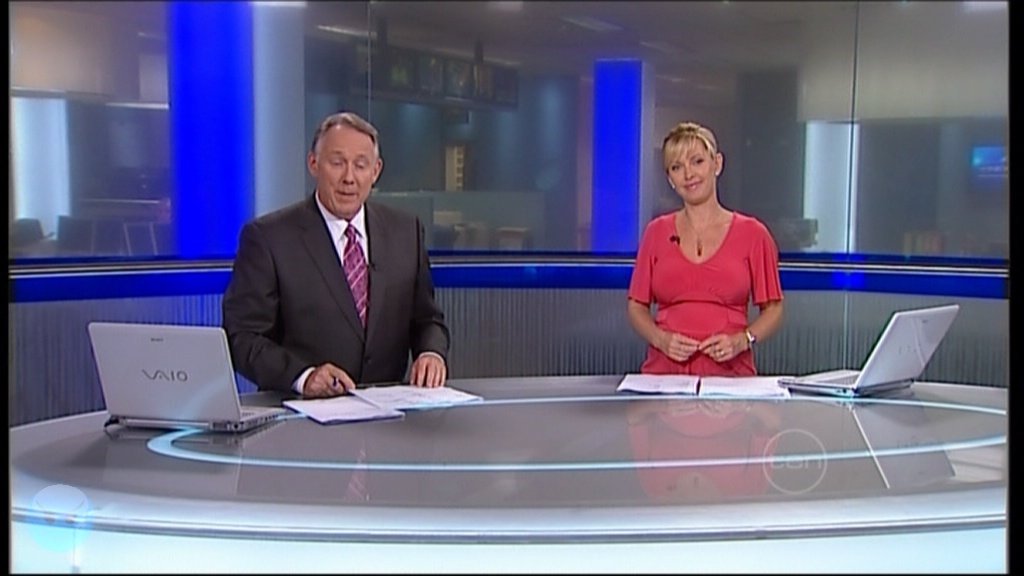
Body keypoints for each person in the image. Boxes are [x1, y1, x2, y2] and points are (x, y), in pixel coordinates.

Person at [222, 111, 450, 398]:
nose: (349, 178)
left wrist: (431, 352)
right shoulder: (269, 238)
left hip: (389, 412)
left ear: (376, 171)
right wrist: (303, 377)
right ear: (313, 164)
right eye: (337, 163)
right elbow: (242, 336)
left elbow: (427, 319)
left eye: (360, 165)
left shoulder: (406, 232)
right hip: (301, 412)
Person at [627, 121, 783, 376]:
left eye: (697, 161)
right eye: (677, 167)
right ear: (670, 179)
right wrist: (661, 340)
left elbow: (774, 309)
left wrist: (743, 340)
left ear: (717, 164)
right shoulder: (656, 232)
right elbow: (636, 307)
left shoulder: (753, 234)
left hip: (731, 378)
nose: (688, 174)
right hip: (664, 377)